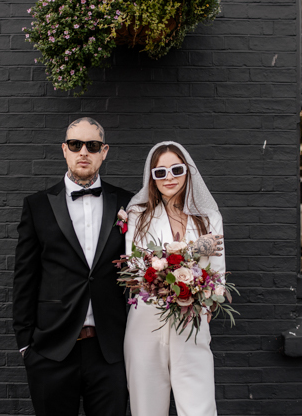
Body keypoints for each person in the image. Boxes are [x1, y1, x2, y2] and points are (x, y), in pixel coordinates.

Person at [13, 117, 132, 416]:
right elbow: (25, 278)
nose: (83, 152)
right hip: (51, 351)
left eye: (92, 146)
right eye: (76, 145)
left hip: (111, 352)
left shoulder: (129, 204)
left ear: (104, 151)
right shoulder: (37, 205)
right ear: (64, 150)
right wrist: (27, 346)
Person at [124, 141, 224, 416]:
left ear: (188, 171)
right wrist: (193, 250)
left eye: (176, 169)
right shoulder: (138, 216)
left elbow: (217, 275)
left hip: (191, 320)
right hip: (146, 321)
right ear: (152, 178)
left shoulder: (209, 217)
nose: (169, 177)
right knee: (146, 407)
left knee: (199, 407)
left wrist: (205, 301)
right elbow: (137, 270)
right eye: (160, 172)